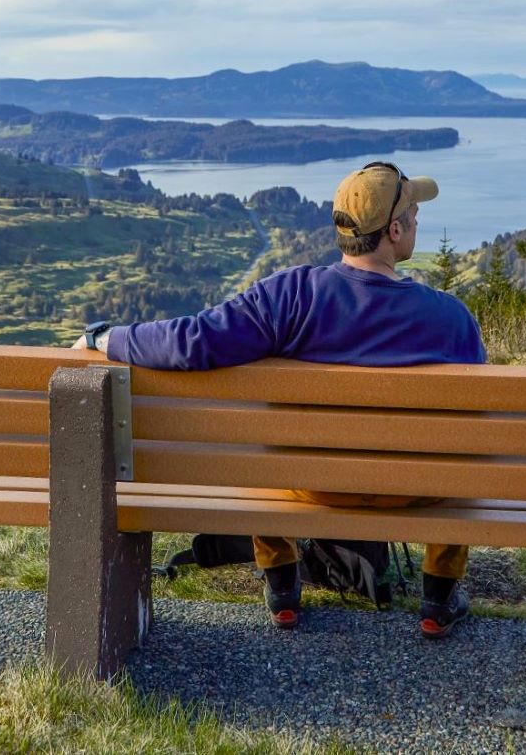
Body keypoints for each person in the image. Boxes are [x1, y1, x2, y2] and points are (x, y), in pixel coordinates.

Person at [72, 161, 486, 638]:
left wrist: (107, 338)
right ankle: (439, 597)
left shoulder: (288, 296)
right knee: (460, 461)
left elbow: (191, 342)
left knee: (262, 459)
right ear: (394, 231)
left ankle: (283, 586)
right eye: (413, 213)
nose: (416, 220)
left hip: (311, 483)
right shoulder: (451, 318)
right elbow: (475, 418)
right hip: (416, 487)